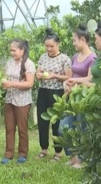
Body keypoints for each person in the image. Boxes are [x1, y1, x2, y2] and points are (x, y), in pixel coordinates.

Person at [58, 24, 97, 169]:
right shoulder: (75, 57)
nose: (73, 43)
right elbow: (73, 75)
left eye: (75, 40)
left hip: (84, 99)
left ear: (82, 40)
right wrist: (68, 86)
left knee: (82, 129)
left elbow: (90, 79)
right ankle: (73, 156)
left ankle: (81, 160)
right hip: (72, 98)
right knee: (63, 128)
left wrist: (75, 82)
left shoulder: (92, 58)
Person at [35, 28, 72, 162]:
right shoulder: (42, 57)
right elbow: (38, 73)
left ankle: (58, 152)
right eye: (47, 46)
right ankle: (43, 148)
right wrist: (38, 75)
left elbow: (68, 76)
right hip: (43, 91)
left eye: (52, 46)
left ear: (58, 44)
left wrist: (54, 76)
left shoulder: (64, 59)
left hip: (57, 93)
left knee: (56, 122)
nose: (49, 49)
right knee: (42, 121)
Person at [0, 39, 36, 164]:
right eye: (10, 50)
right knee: (9, 128)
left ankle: (22, 154)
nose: (12, 53)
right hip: (10, 99)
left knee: (22, 128)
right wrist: (4, 82)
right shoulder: (9, 63)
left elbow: (30, 84)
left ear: (22, 50)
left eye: (14, 50)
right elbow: (6, 77)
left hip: (23, 101)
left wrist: (11, 84)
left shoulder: (28, 64)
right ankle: (8, 153)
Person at [66, 20, 101, 89]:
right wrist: (75, 80)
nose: (95, 42)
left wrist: (88, 85)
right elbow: (92, 78)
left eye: (96, 39)